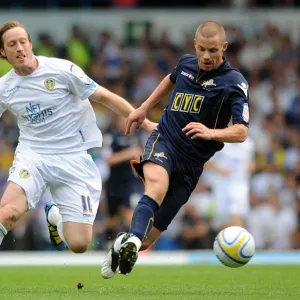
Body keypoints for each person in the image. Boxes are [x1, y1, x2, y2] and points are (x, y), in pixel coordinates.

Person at [101, 20, 250, 278]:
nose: (206, 56)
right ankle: (132, 243)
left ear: (224, 47)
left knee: (149, 239)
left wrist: (211, 132)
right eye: (202, 49)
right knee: (155, 187)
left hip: (192, 164)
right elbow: (171, 79)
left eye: (213, 50)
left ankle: (123, 244)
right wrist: (145, 107)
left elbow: (242, 131)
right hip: (166, 139)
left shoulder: (233, 82)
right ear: (195, 45)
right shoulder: (185, 64)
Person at [0, 21, 155, 254]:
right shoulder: (5, 87)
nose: (19, 48)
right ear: (3, 52)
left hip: (73, 157)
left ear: (31, 44)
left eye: (23, 42)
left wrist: (147, 123)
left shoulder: (62, 70)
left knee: (80, 244)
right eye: (12, 44)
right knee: (8, 212)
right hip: (33, 156)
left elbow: (105, 97)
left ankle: (55, 218)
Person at [204, 136, 256, 230]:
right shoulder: (219, 141)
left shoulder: (249, 144)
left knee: (237, 216)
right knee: (221, 222)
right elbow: (206, 160)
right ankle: (222, 243)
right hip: (220, 185)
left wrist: (250, 167)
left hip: (240, 185)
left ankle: (239, 244)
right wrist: (219, 170)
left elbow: (251, 163)